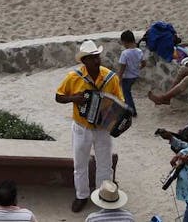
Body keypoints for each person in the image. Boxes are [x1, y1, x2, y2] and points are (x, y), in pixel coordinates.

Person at [55, 40, 123, 212]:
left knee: (105, 164)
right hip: (81, 128)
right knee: (80, 164)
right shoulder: (73, 77)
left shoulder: (110, 77)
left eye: (97, 56)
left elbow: (120, 102)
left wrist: (111, 114)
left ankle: (104, 196)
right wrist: (74, 98)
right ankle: (82, 196)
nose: (97, 60)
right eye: (92, 58)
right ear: (84, 61)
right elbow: (59, 96)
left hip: (102, 129)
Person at [116, 30, 142, 117]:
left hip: (127, 77)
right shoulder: (139, 51)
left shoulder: (125, 53)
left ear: (125, 42)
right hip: (135, 75)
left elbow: (122, 66)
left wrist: (119, 77)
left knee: (126, 93)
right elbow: (144, 63)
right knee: (128, 92)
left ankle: (131, 111)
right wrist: (138, 68)